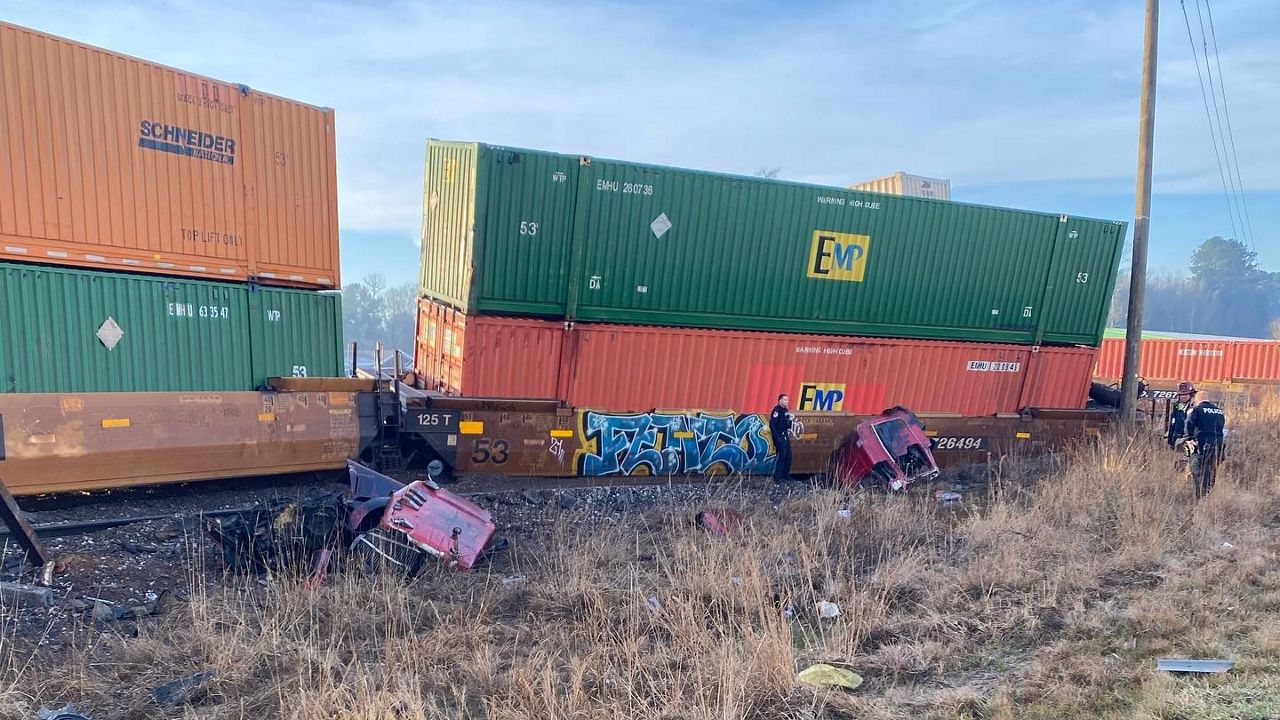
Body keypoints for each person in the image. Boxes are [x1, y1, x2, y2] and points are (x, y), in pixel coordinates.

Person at [1183, 391, 1226, 498]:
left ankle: (1201, 498)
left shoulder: (1196, 410)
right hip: (1218, 446)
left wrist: (1189, 438)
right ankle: (1208, 495)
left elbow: (1189, 423)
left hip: (1202, 445)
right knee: (1211, 471)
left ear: (1197, 400)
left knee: (1198, 471)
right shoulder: (1219, 411)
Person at [770, 394, 794, 482]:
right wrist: (777, 437)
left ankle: (785, 475)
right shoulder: (776, 410)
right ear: (780, 400)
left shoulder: (786, 411)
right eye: (784, 399)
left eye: (787, 400)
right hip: (779, 435)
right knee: (782, 456)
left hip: (785, 436)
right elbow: (772, 425)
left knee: (789, 456)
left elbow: (788, 425)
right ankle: (777, 477)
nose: (786, 401)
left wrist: (790, 420)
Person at [1167, 382, 1196, 449]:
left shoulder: (1194, 408)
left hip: (1188, 439)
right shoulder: (1176, 406)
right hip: (1176, 437)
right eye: (1181, 394)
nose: (1183, 396)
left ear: (1191, 395)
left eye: (1186, 394)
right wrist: (1170, 440)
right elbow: (1172, 424)